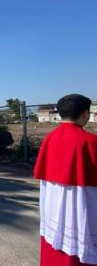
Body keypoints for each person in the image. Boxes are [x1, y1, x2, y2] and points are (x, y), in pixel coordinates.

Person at [34, 94, 97, 266]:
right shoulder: (90, 142)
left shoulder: (49, 139)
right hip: (81, 205)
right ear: (85, 114)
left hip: (52, 207)